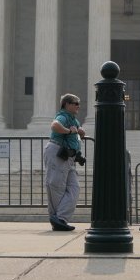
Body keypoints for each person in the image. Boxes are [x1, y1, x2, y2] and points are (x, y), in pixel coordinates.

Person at [44, 94, 85, 231]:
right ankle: (58, 218)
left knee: (74, 188)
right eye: (76, 103)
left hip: (69, 156)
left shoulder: (73, 119)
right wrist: (69, 131)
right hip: (58, 152)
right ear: (67, 104)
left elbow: (76, 136)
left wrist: (80, 133)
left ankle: (60, 218)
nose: (78, 105)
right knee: (56, 186)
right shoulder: (63, 116)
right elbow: (55, 125)